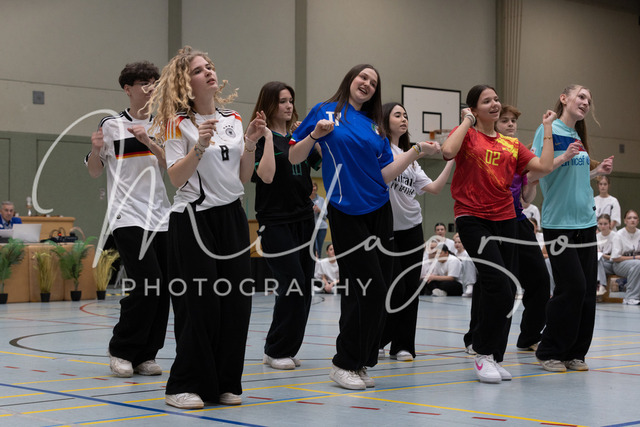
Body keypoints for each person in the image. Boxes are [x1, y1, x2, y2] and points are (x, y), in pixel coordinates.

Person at [288, 64, 440, 390]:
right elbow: (294, 156)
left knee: (376, 290)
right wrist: (315, 135)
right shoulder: (325, 111)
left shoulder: (375, 127)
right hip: (346, 211)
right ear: (351, 79)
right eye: (363, 78)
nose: (367, 84)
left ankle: (361, 361)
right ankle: (344, 363)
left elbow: (385, 174)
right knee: (369, 288)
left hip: (380, 212)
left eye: (373, 82)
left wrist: (416, 151)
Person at [147, 46, 260, 409]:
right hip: (193, 218)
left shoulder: (233, 119)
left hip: (232, 218)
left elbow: (242, 177)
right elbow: (176, 178)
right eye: (199, 70)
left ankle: (225, 382)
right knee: (199, 304)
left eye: (209, 66)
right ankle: (184, 384)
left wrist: (251, 144)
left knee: (237, 304)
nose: (209, 72)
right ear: (186, 82)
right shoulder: (176, 123)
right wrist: (200, 146)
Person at [441, 84, 555, 384]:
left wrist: (547, 129)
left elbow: (544, 166)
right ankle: (481, 352)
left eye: (496, 99)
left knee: (508, 289)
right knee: (498, 285)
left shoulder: (511, 144)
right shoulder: (467, 135)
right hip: (472, 219)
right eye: (486, 101)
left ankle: (494, 356)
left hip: (506, 220)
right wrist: (467, 121)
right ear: (474, 108)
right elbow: (447, 151)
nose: (494, 104)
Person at [85, 61, 171, 379]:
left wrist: (150, 141)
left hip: (160, 216)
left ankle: (146, 354)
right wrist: (96, 151)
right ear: (128, 89)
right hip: (127, 216)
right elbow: (95, 171)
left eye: (154, 83)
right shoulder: (112, 125)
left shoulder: (163, 125)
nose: (150, 89)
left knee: (164, 288)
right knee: (147, 284)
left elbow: (171, 166)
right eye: (144, 83)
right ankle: (122, 349)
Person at [531, 84, 614, 373]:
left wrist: (596, 171)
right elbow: (536, 170)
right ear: (564, 98)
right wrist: (564, 157)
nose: (586, 102)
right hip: (559, 224)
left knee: (587, 291)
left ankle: (575, 353)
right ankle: (549, 350)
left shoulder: (578, 134)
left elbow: (572, 177)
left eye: (589, 99)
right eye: (581, 96)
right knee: (572, 287)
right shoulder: (548, 130)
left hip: (586, 223)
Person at [250, 81, 321, 371]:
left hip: (304, 219)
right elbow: (266, 176)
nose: (288, 106)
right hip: (275, 222)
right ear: (269, 104)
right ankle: (275, 349)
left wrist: (313, 135)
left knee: (305, 287)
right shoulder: (258, 138)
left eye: (290, 100)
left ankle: (287, 347)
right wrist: (267, 137)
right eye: (282, 101)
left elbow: (320, 161)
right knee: (292, 284)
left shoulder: (298, 136)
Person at [378, 102, 454, 362]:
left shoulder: (408, 156)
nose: (404, 119)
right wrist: (417, 150)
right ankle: (379, 338)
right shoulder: (382, 148)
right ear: (385, 119)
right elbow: (385, 175)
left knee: (410, 289)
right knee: (395, 289)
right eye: (397, 115)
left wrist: (451, 162)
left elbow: (434, 188)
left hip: (412, 228)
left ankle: (403, 346)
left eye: (406, 115)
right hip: (386, 229)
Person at [496, 105, 550, 352]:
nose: (510, 124)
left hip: (519, 221)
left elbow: (526, 199)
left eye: (513, 121)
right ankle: (476, 338)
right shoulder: (490, 151)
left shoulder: (520, 152)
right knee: (498, 283)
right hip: (495, 223)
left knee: (540, 280)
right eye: (504, 120)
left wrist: (532, 181)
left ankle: (529, 336)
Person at [610, 210, 640, 305]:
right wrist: (635, 258)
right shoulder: (618, 235)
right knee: (638, 265)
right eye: (629, 218)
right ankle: (630, 297)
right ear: (625, 221)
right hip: (619, 265)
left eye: (635, 218)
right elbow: (615, 258)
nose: (632, 220)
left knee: (637, 266)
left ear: (638, 221)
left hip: (635, 265)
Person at [596, 214, 616, 296]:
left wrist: (602, 255)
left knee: (598, 260)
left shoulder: (616, 236)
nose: (603, 226)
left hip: (613, 264)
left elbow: (616, 257)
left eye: (605, 224)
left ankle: (601, 285)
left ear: (610, 224)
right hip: (600, 263)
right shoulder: (596, 237)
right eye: (600, 224)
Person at [453, 233, 476, 298]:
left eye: (459, 242)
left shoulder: (466, 254)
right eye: (455, 242)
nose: (457, 244)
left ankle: (469, 286)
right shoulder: (453, 253)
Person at [310, 182, 329, 256]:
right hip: (311, 227)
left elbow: (326, 215)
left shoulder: (321, 199)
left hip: (321, 227)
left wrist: (319, 210)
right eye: (311, 186)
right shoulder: (306, 199)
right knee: (314, 248)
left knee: (319, 249)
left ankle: (318, 262)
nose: (313, 188)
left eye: (314, 186)